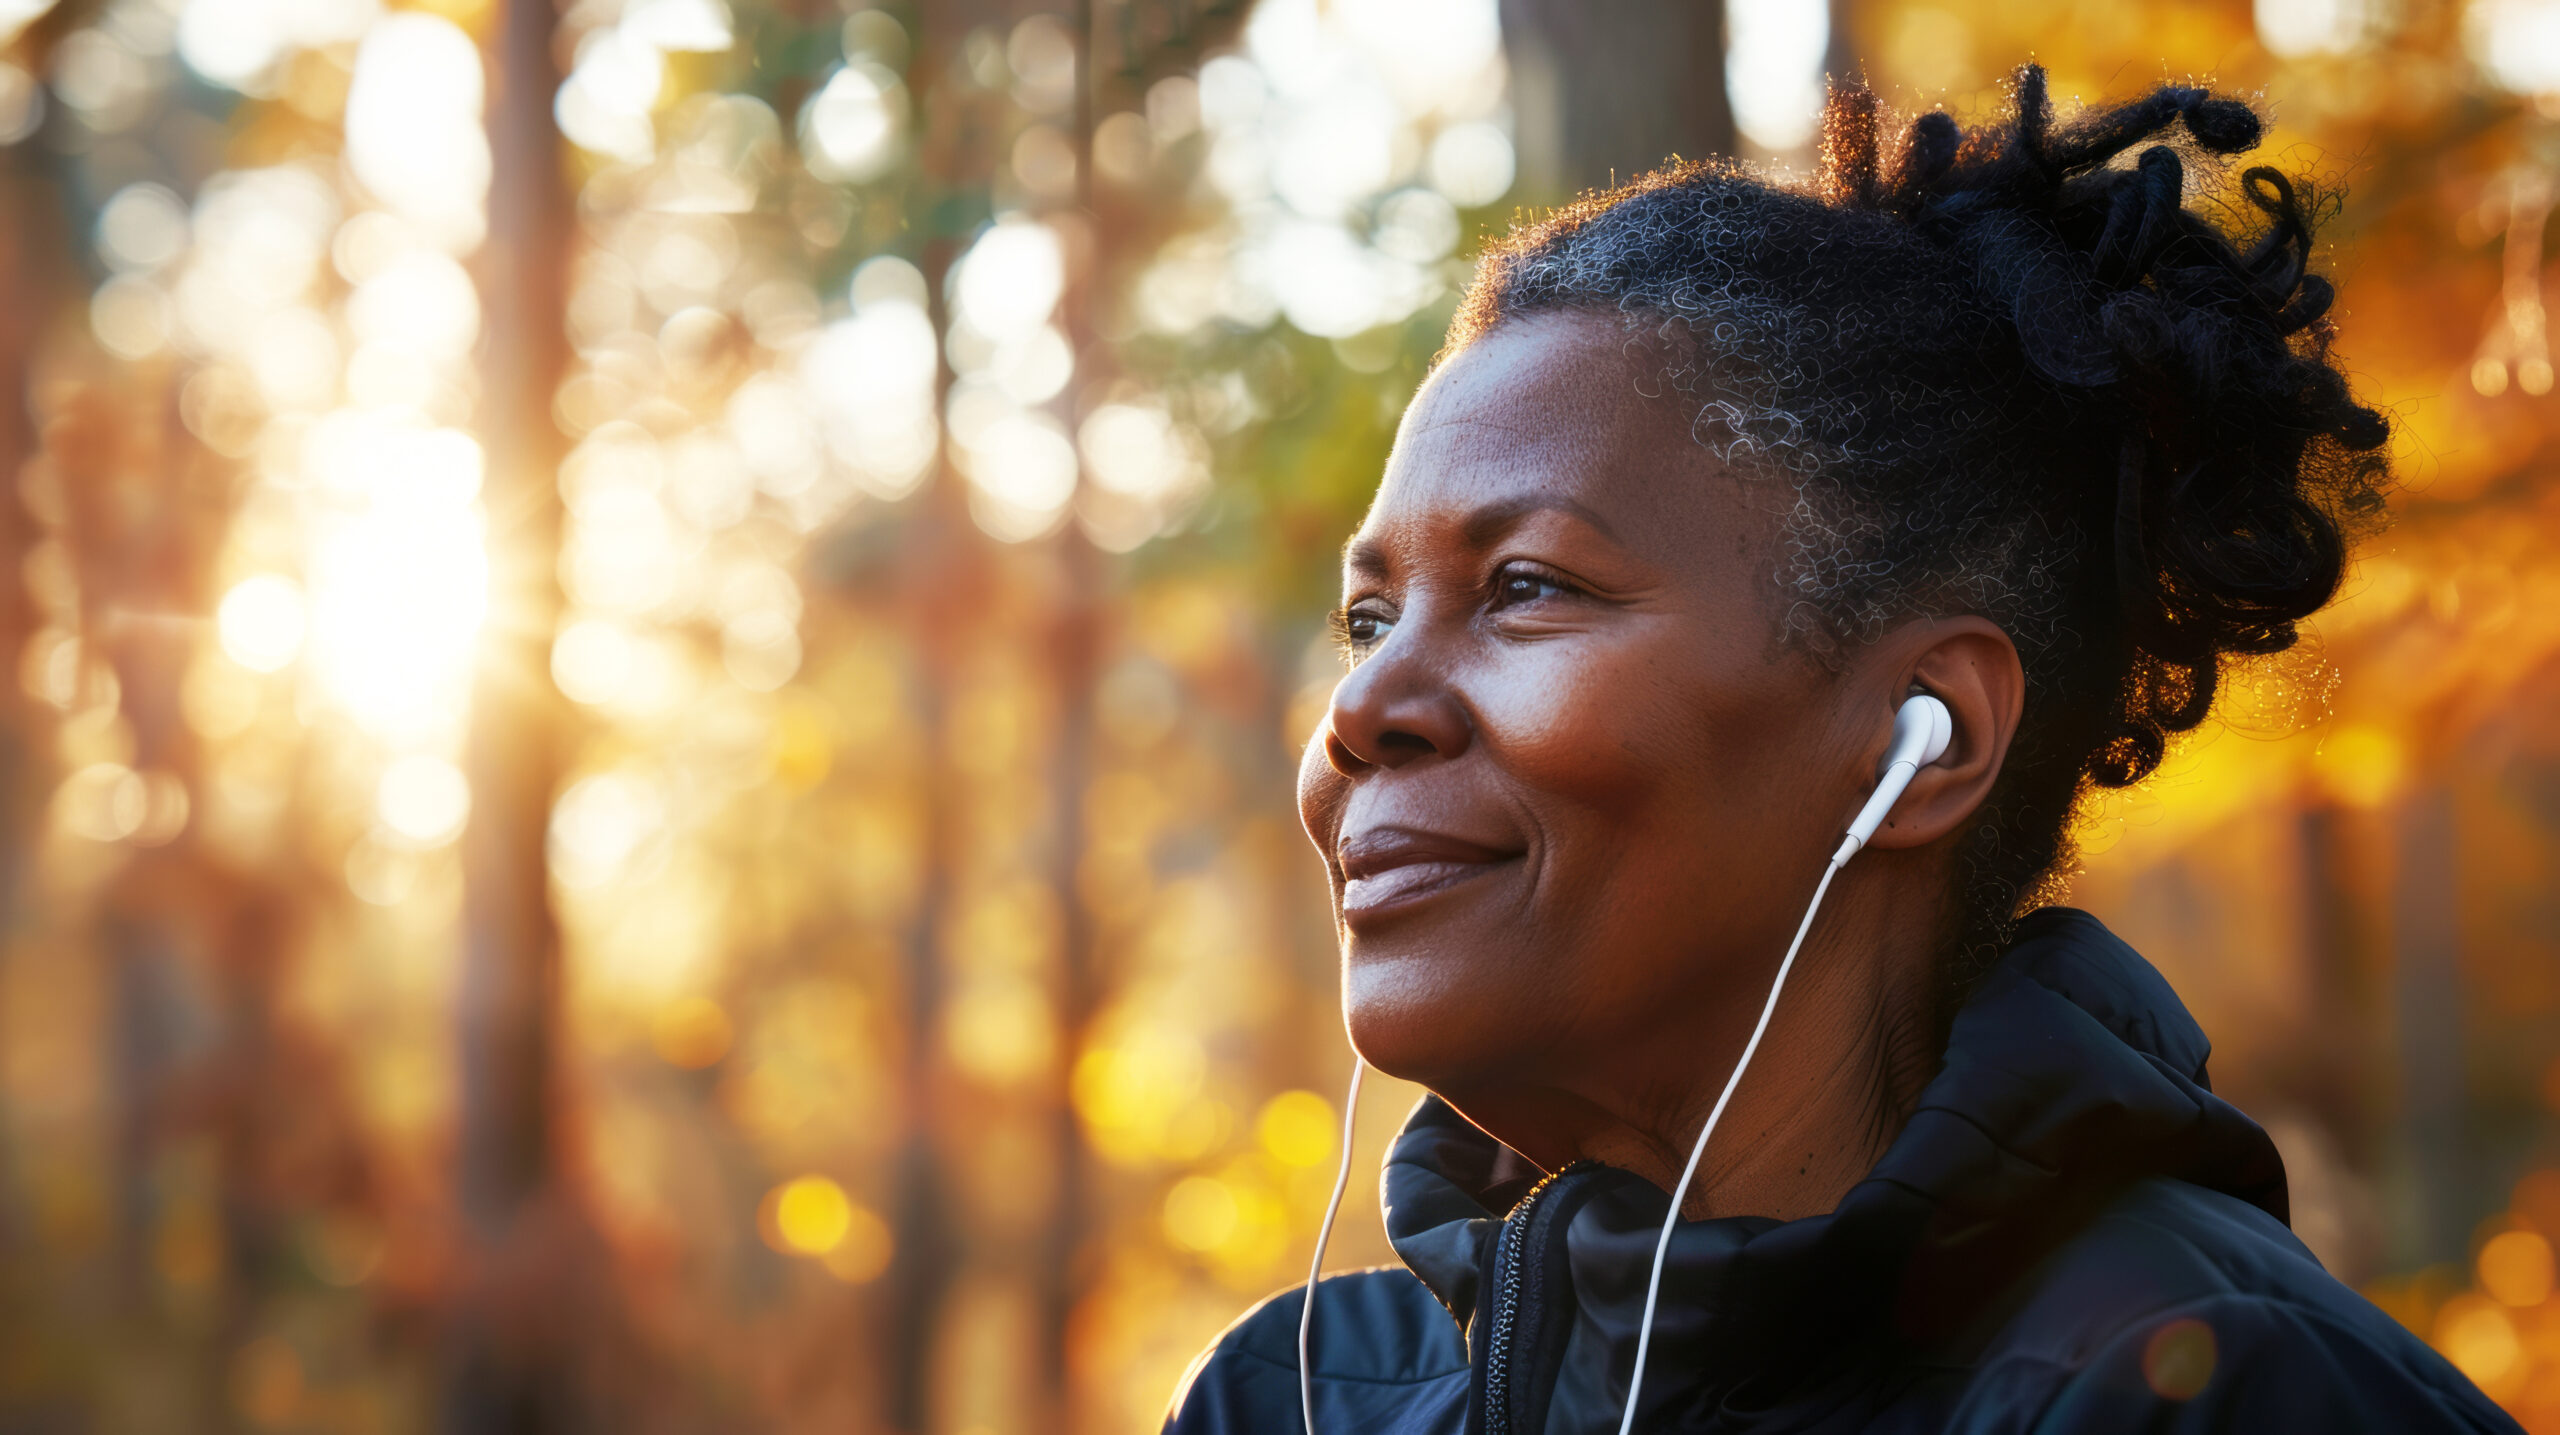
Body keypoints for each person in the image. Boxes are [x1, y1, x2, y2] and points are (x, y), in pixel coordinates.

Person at [1162, 69, 2522, 1434]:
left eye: (1525, 586)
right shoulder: (1289, 1403)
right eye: (1367, 617)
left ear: (1924, 738)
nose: (1360, 710)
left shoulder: (2214, 1394)